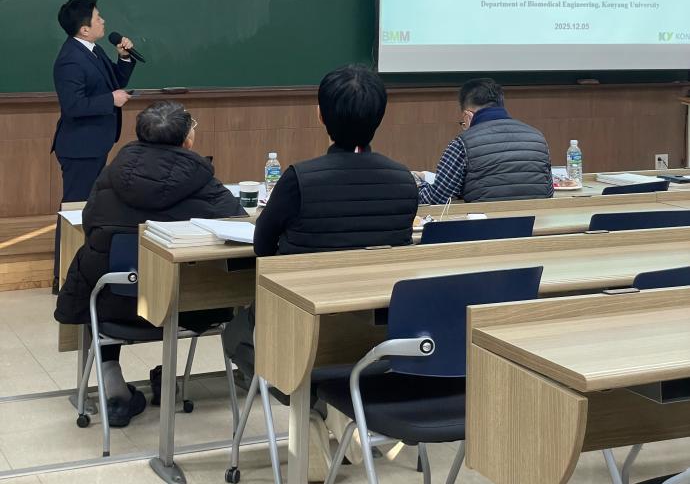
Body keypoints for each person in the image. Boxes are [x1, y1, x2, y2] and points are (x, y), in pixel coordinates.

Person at [223, 64, 418, 479]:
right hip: (376, 336)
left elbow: (262, 248)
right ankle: (333, 409)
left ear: (320, 115)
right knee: (326, 344)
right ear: (380, 117)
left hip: (302, 329)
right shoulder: (403, 179)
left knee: (237, 335)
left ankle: (309, 413)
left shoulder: (300, 179)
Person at [55, 100, 246, 427]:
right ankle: (172, 378)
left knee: (96, 276)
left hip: (114, 305)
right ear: (187, 141)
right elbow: (236, 225)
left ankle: (112, 382)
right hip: (182, 306)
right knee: (226, 282)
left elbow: (90, 224)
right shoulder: (202, 181)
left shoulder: (111, 174)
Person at [51, 0, 137, 292]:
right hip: (79, 147)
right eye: (98, 18)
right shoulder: (70, 59)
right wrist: (110, 100)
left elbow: (114, 82)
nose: (103, 21)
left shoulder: (93, 50)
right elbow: (73, 106)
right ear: (84, 29)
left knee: (88, 207)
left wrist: (123, 58)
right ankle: (63, 277)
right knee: (74, 210)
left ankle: (81, 271)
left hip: (95, 143)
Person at [417, 77, 553, 205]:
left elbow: (437, 198)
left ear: (467, 116)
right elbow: (548, 192)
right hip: (534, 220)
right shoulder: (538, 138)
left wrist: (416, 185)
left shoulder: (462, 143)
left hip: (485, 221)